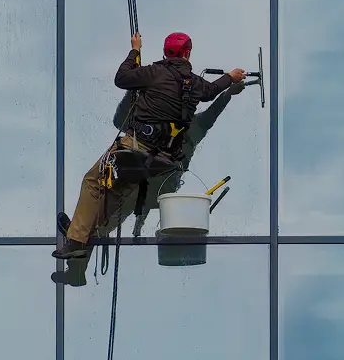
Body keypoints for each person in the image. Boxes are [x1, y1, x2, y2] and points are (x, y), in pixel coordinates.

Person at [53, 31, 246, 261]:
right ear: (188, 53)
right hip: (163, 160)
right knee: (114, 194)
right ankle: (81, 232)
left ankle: (76, 241)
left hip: (135, 148)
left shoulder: (153, 73)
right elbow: (212, 92)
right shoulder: (195, 84)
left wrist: (135, 50)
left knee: (93, 181)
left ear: (165, 52)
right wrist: (231, 78)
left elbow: (121, 78)